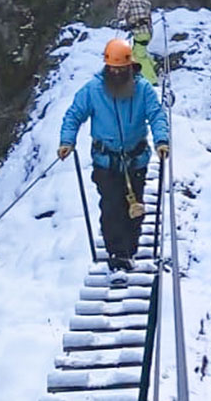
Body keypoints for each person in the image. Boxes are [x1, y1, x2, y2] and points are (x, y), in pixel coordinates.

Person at [59, 38, 170, 272]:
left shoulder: (143, 90)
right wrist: (67, 141)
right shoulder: (93, 90)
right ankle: (117, 254)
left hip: (135, 159)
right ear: (107, 67)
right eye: (113, 69)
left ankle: (130, 248)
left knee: (134, 208)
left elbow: (157, 115)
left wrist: (162, 140)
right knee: (111, 207)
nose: (117, 73)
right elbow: (74, 115)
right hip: (105, 161)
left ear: (130, 66)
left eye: (121, 69)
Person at [115, 0, 159, 86]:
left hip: (139, 31)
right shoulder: (145, 0)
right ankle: (154, 65)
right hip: (148, 31)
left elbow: (121, 12)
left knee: (139, 56)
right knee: (138, 51)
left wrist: (118, 20)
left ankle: (152, 80)